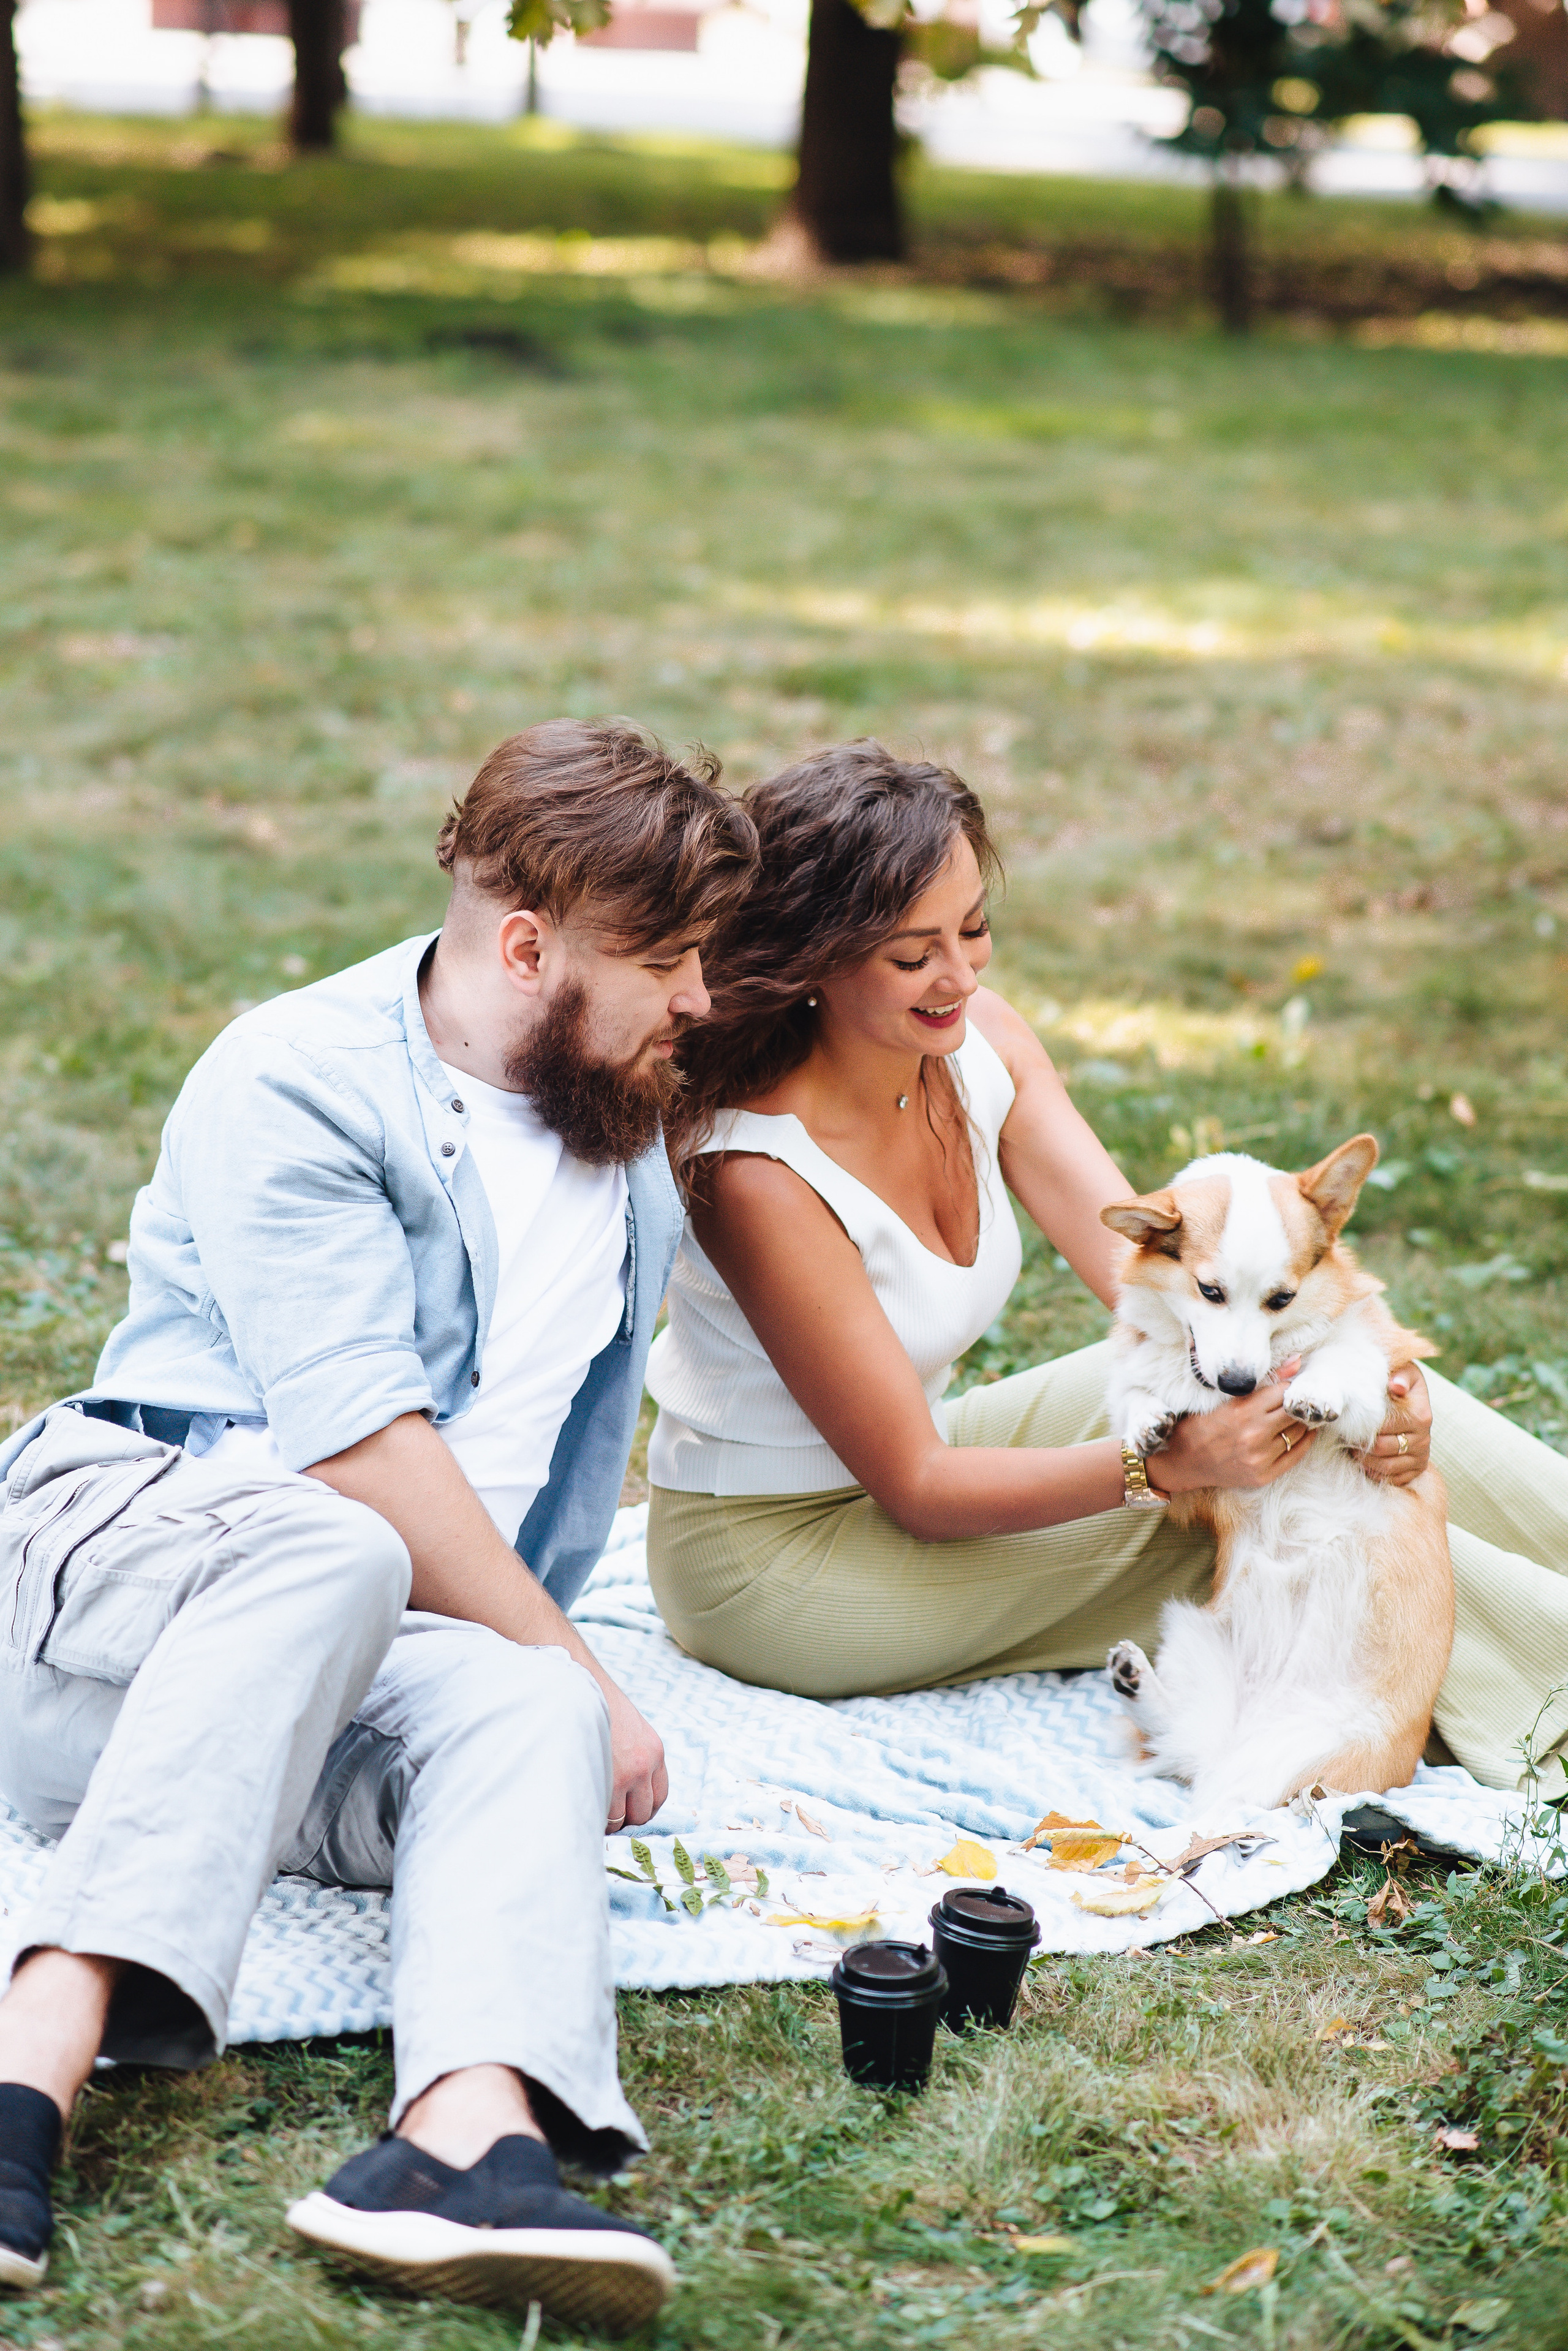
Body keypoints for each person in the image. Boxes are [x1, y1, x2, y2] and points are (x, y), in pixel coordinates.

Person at [0, 720, 757, 2333]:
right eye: (672, 958)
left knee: (526, 1695)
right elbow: (360, 1457)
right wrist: (591, 1662)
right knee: (356, 1549)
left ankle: (458, 2142)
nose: (701, 998)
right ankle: (33, 2060)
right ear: (530, 943)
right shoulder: (295, 1079)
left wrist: (557, 1669)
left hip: (329, 1690)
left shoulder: (622, 1128)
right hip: (122, 1592)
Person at [645, 741, 1568, 1797]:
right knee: (1247, 1507)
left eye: (976, 930)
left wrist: (1386, 1405)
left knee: (1324, 1370)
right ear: (817, 956)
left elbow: (1162, 1289)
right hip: (776, 1562)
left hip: (915, 1462)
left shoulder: (978, 1040)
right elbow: (920, 1486)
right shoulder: (758, 1168)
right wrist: (1175, 1462)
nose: (962, 977)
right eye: (914, 956)